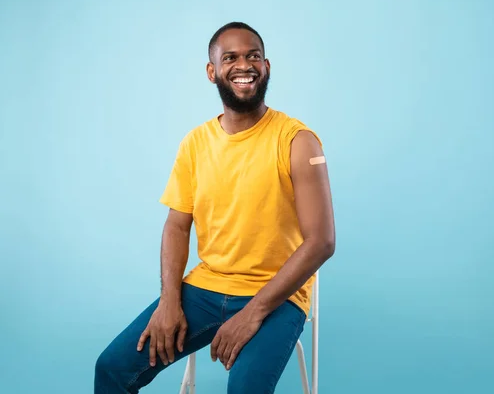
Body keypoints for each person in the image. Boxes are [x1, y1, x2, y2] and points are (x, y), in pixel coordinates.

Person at [94, 21, 336, 393]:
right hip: (205, 289)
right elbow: (177, 226)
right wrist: (169, 302)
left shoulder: (298, 142)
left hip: (276, 296)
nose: (244, 65)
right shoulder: (195, 143)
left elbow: (321, 241)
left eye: (253, 56)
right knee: (111, 368)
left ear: (267, 66)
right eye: (231, 58)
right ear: (213, 72)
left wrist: (253, 312)